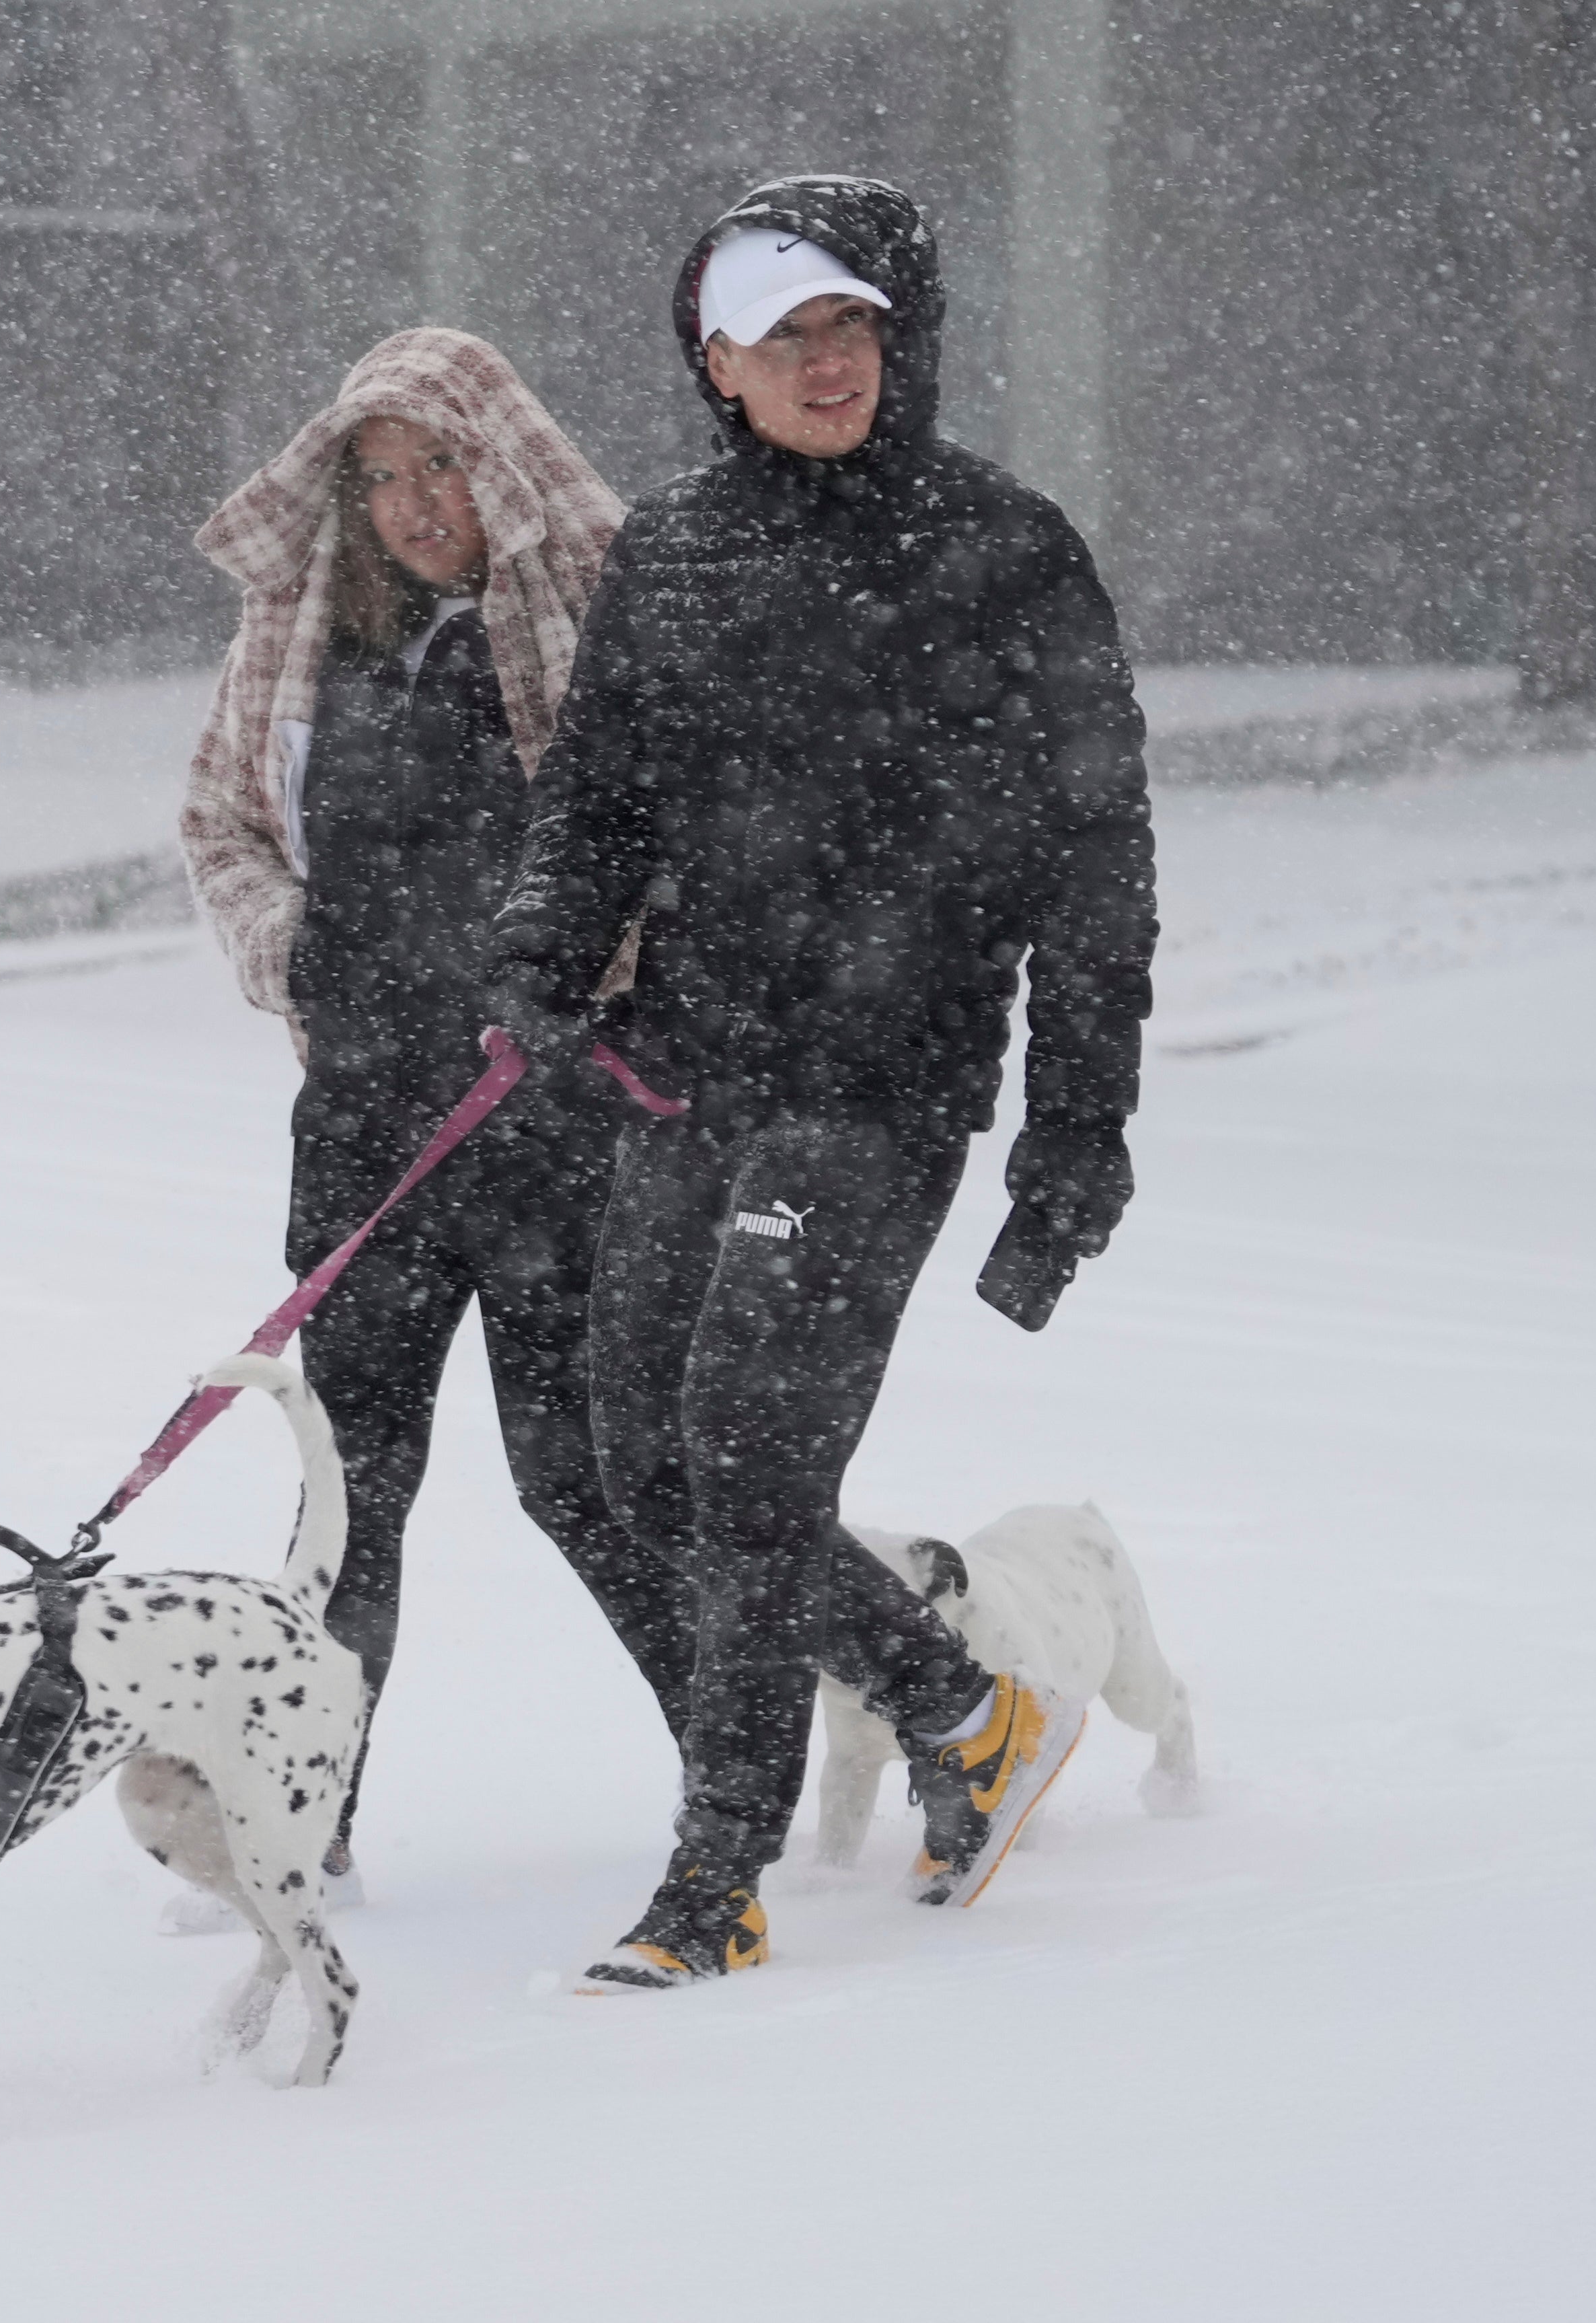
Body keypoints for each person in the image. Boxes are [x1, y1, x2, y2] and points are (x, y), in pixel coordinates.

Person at [486, 174, 1155, 1991]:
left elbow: (1102, 865)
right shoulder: (676, 551)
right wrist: (540, 960)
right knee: (633, 1458)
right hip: (692, 1068)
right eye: (787, 336)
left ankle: (716, 1885)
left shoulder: (1005, 552)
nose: (829, 364)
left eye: (854, 327)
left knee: (750, 1458)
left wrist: (1076, 1132)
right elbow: (600, 800)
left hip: (886, 1085)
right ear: (713, 360)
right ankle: (963, 1711)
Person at [181, 327, 691, 1888]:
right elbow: (220, 823)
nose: (410, 506)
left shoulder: (601, 626)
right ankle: (300, 1825)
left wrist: (589, 984)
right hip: (363, 1137)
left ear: (505, 464)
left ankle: (747, 1759)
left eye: (440, 466)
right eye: (380, 478)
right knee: (349, 1494)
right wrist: (291, 950)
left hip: (558, 1138)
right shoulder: (306, 640)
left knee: (591, 1480)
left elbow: (677, 848)